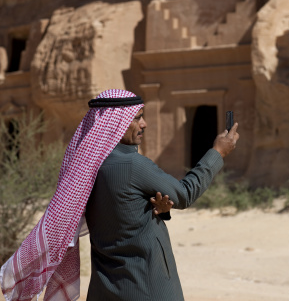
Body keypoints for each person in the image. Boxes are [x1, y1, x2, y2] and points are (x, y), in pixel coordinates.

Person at [0, 89, 238, 301]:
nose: (144, 124)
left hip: (105, 289)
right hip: (147, 287)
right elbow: (185, 194)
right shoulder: (133, 166)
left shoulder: (86, 168)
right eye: (136, 118)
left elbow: (122, 214)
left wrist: (158, 211)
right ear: (115, 124)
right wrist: (217, 152)